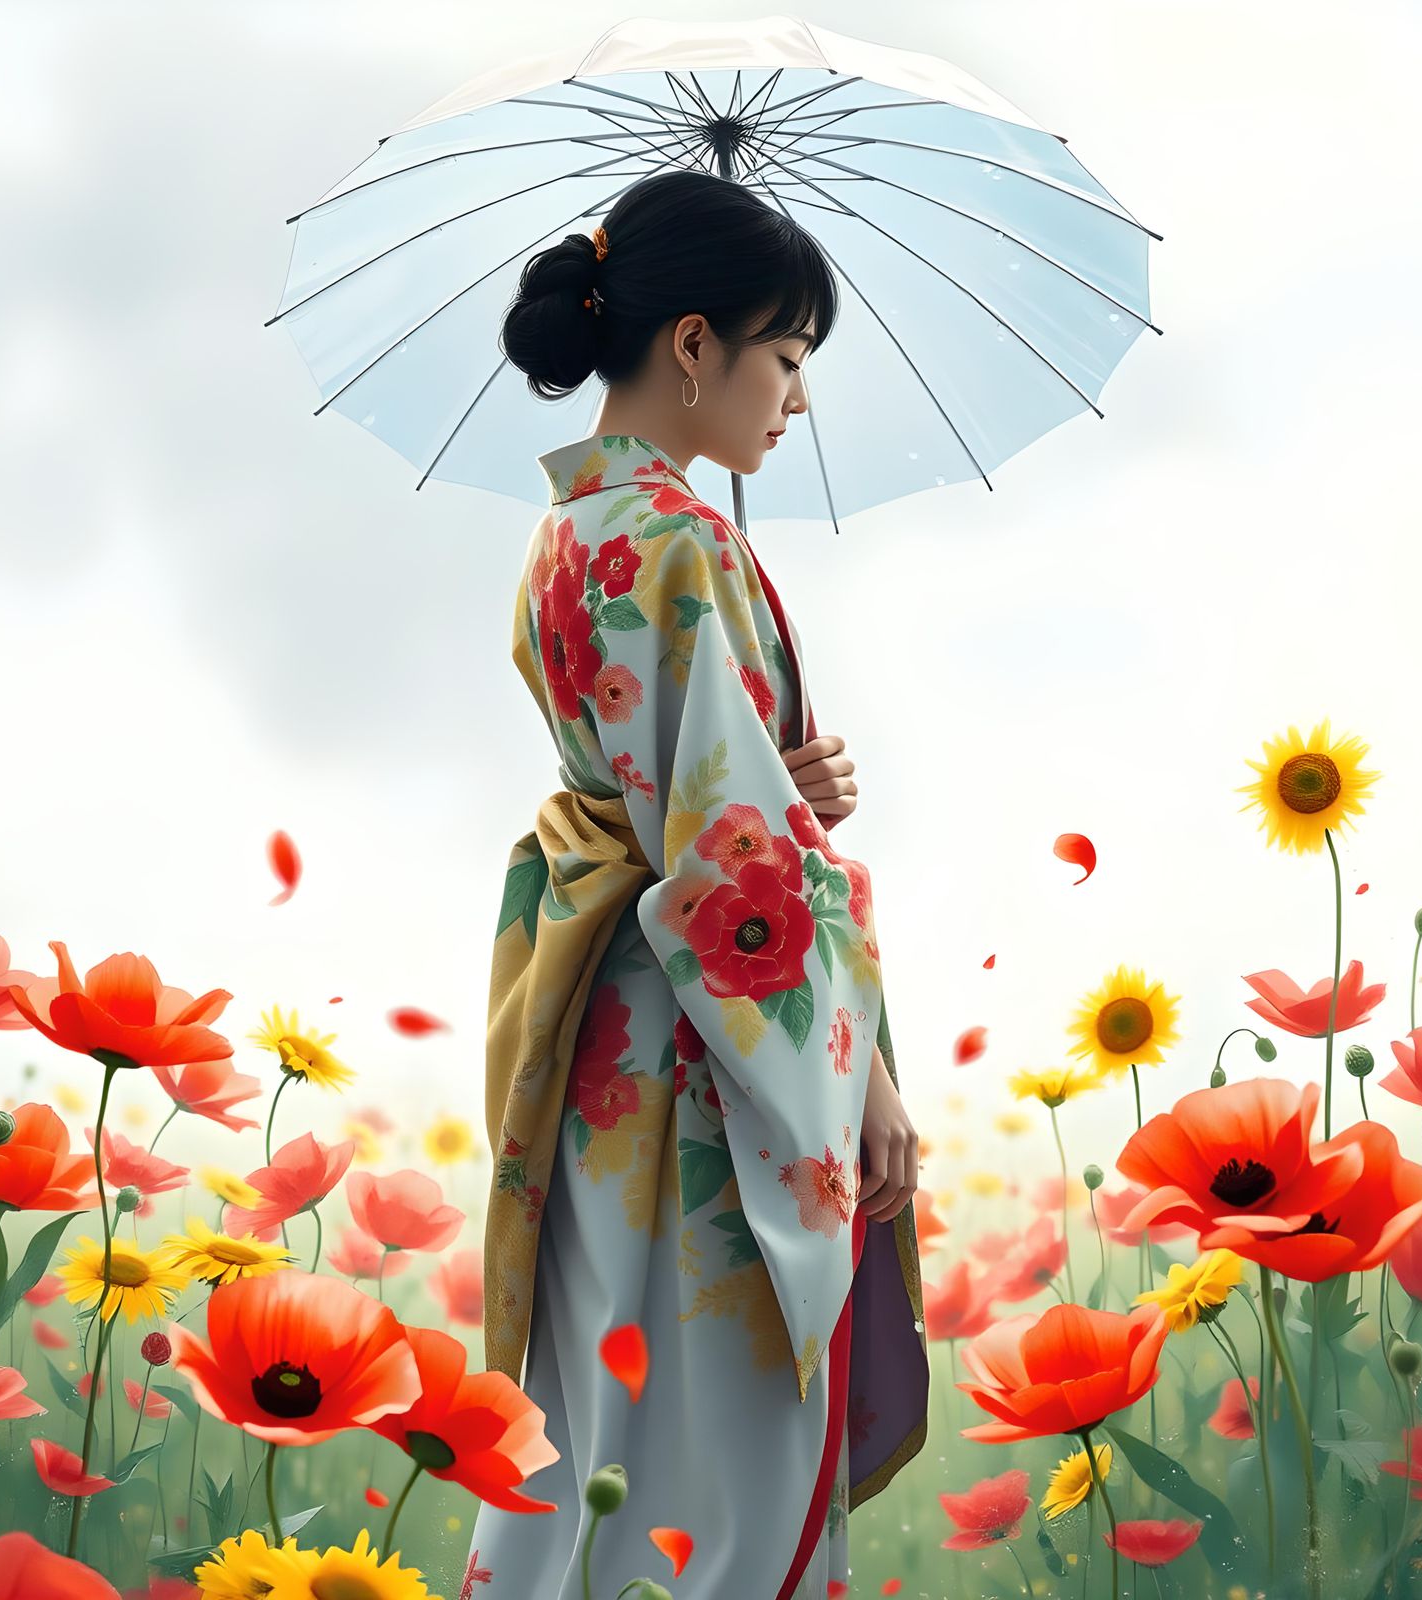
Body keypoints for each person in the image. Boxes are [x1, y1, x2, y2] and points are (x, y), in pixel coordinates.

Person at [470, 170, 928, 1600]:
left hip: (602, 1032)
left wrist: (777, 784)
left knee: (611, 1420)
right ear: (691, 346)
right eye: (785, 358)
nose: (793, 398)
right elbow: (736, 865)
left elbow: (691, 792)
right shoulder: (679, 539)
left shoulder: (571, 530)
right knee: (719, 1455)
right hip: (694, 1053)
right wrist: (859, 1084)